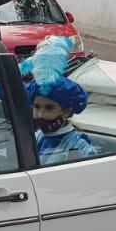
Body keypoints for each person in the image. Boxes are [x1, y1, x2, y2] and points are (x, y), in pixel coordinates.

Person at [23, 36, 95, 165]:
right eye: (37, 106)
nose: (39, 114)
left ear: (66, 112)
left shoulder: (78, 146)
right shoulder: (37, 136)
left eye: (49, 108)